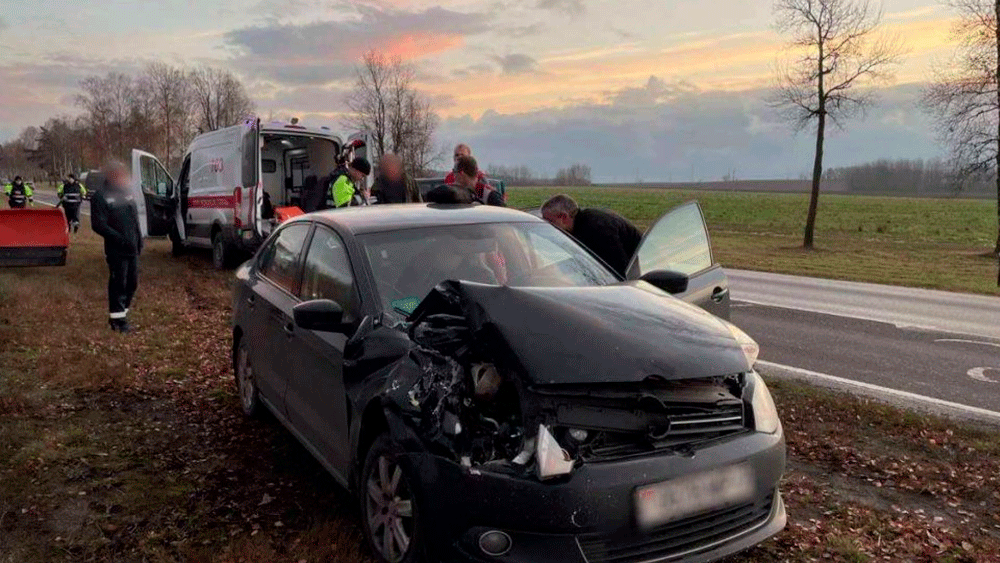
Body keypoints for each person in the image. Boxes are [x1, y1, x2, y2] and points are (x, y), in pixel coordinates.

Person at [91, 162, 143, 333]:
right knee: (118, 283)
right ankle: (117, 322)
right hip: (116, 249)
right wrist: (119, 238)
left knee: (132, 283)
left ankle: (122, 315)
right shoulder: (101, 196)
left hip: (132, 248)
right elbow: (98, 224)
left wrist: (139, 239)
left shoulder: (126, 193)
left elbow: (134, 218)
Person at [541, 194, 643, 277]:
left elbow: (618, 271)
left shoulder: (597, 228)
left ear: (563, 217)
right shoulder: (582, 224)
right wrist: (550, 271)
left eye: (550, 222)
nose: (549, 227)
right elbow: (581, 261)